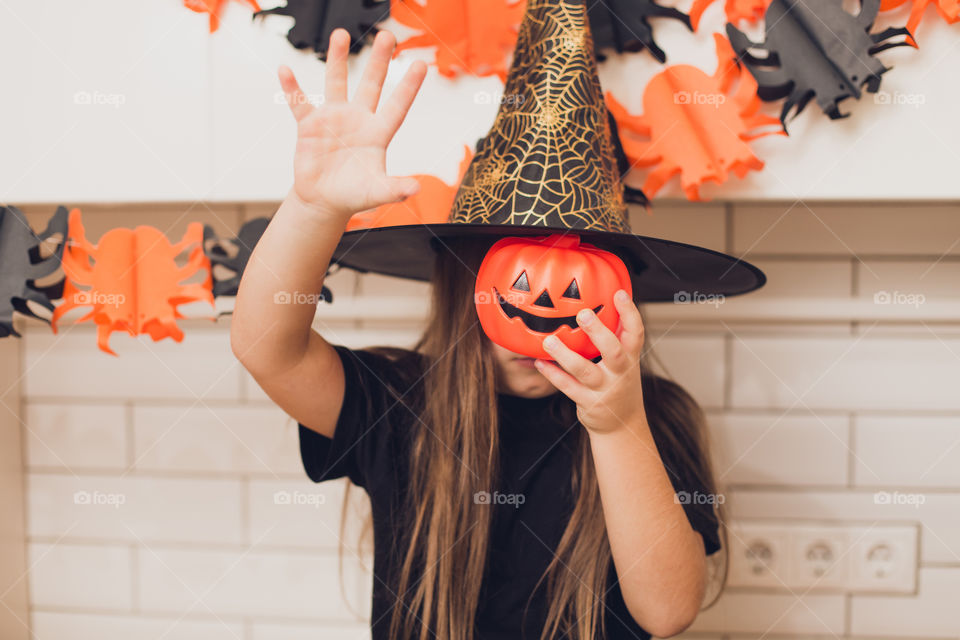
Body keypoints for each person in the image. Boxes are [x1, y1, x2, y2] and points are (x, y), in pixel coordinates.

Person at [232, 22, 729, 640]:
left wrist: (620, 423)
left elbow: (670, 610)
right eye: (516, 283)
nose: (542, 327)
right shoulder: (401, 402)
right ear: (464, 286)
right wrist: (314, 209)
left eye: (577, 290)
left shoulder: (655, 416)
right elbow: (265, 348)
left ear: (619, 297)